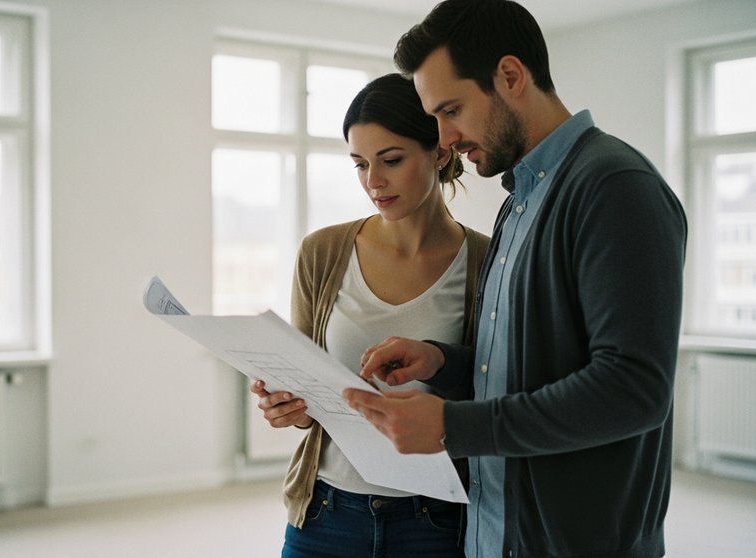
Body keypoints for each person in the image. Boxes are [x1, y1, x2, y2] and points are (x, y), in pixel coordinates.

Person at [343, 2, 688, 558]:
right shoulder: (520, 199)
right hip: (497, 535)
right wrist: (442, 361)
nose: (445, 138)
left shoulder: (615, 187)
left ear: (510, 76)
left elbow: (633, 390)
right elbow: (526, 368)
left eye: (451, 109)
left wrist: (454, 426)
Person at [249, 73, 490, 558]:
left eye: (391, 160)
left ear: (440, 152)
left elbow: (493, 391)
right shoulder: (322, 252)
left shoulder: (487, 262)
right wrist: (288, 407)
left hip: (436, 520)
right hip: (325, 512)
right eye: (360, 164)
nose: (373, 181)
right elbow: (306, 387)